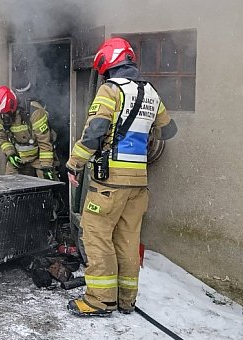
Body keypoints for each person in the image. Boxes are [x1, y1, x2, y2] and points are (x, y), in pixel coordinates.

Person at [66, 37, 178, 317]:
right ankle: (126, 300)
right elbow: (169, 130)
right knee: (127, 241)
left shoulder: (110, 90)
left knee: (96, 235)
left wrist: (74, 163)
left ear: (107, 64)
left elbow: (94, 133)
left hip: (110, 183)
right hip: (138, 183)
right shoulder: (151, 92)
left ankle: (100, 300)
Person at [0, 85, 56, 180]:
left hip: (39, 158)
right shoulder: (3, 116)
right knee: (9, 186)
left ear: (12, 106)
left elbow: (44, 142)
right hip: (18, 158)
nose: (3, 117)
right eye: (1, 115)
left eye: (5, 114)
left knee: (47, 184)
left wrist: (46, 167)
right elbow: (2, 139)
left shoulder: (35, 113)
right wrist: (11, 154)